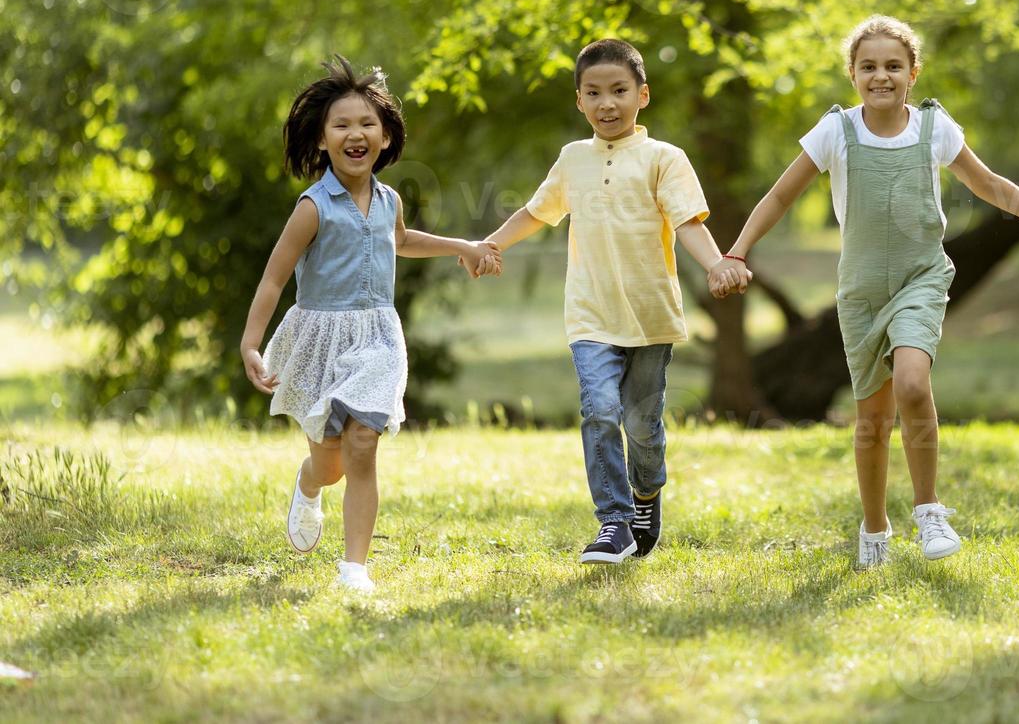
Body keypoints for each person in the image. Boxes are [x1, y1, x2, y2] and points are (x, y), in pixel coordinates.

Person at [710, 15, 1019, 568]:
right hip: (860, 293)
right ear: (853, 75)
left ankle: (929, 510)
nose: (881, 76)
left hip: (920, 278)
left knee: (912, 382)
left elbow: (992, 187)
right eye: (869, 67)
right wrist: (736, 252)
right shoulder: (835, 132)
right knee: (871, 424)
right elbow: (779, 197)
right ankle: (875, 528)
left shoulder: (934, 129)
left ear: (913, 73)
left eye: (893, 66)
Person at [468, 39, 737, 564]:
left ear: (643, 94)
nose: (606, 103)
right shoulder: (573, 160)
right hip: (590, 315)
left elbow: (687, 223)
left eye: (618, 91)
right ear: (579, 101)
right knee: (599, 410)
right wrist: (491, 243)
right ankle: (614, 522)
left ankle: (645, 494)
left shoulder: (664, 159)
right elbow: (536, 211)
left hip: (650, 315)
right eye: (594, 93)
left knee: (642, 424)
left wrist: (718, 264)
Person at [241, 56, 499, 592]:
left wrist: (464, 246)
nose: (355, 134)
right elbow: (272, 279)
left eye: (366, 124)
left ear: (385, 138)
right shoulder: (312, 209)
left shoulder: (389, 201)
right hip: (319, 340)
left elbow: (400, 241)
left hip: (378, 339)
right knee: (331, 464)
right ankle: (309, 486)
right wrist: (251, 344)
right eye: (341, 125)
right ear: (320, 140)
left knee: (363, 444)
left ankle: (354, 566)